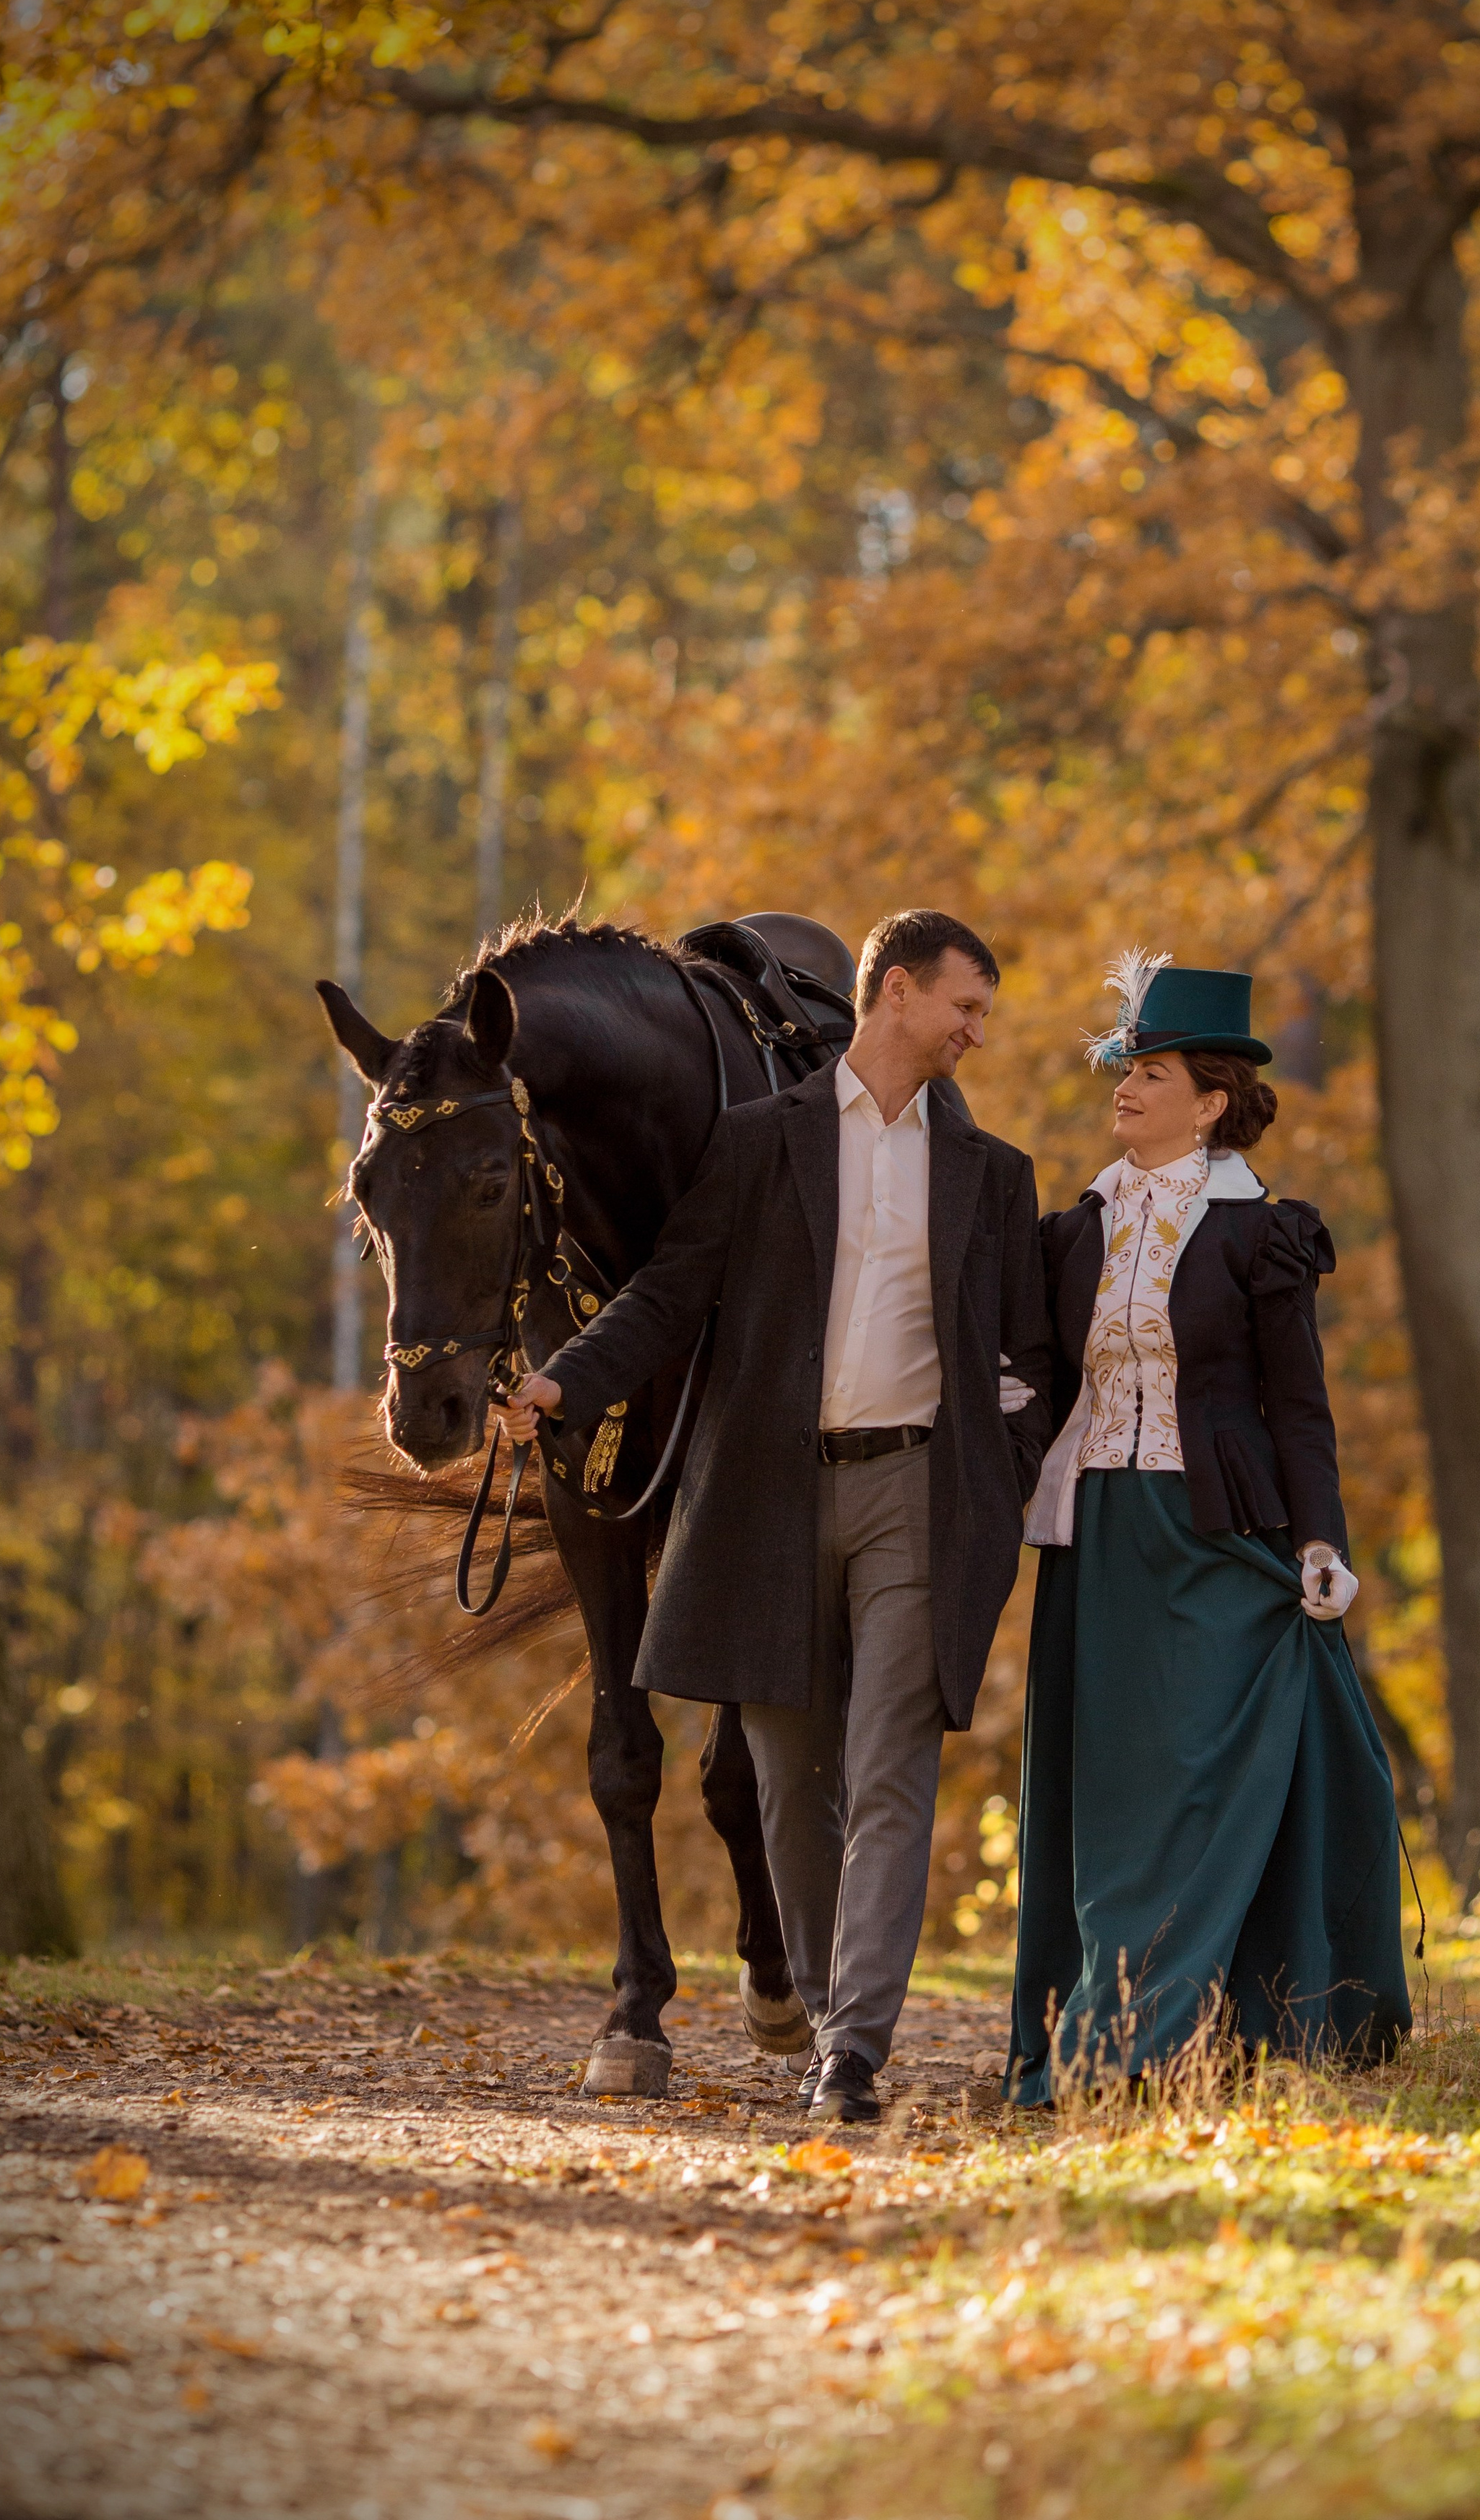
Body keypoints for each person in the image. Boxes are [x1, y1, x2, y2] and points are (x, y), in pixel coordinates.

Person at [498, 909, 1052, 2123]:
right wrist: (561, 1381)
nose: (975, 1032)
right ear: (895, 992)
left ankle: (850, 2047)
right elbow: (667, 1292)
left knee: (891, 1762)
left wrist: (996, 1477)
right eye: (965, 1006)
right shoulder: (759, 1143)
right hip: (767, 1496)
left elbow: (1028, 1357)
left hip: (917, 1492)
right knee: (792, 1778)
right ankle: (814, 2001)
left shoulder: (990, 1172)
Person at [1008, 954, 1411, 2106]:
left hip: (1220, 1540)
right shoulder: (1074, 1229)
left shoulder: (1260, 1234)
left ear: (1214, 1098)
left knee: (1191, 1793)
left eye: (1155, 1071)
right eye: (1126, 1067)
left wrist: (1320, 1543)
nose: (1126, 1088)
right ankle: (1088, 2029)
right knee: (1102, 1794)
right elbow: (1038, 1376)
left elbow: (1299, 1407)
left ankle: (1130, 2042)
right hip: (1097, 1537)